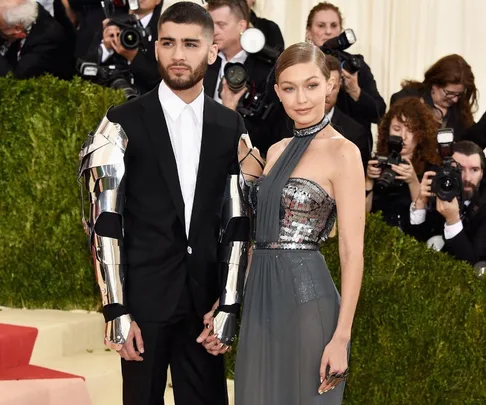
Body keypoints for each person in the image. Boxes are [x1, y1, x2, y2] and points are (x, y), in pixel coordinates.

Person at [77, 2, 255, 404]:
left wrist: (228, 303)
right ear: (155, 48)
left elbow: (238, 221)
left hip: (204, 309)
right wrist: (115, 308)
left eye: (191, 44)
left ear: (212, 51)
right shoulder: (121, 119)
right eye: (169, 42)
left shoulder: (231, 125)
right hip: (143, 305)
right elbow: (104, 220)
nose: (178, 55)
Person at [230, 42, 365, 404]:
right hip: (260, 297)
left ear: (329, 86)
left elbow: (352, 252)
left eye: (311, 85)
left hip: (308, 302)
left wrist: (341, 338)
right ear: (277, 91)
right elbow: (257, 235)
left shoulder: (344, 152)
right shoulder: (275, 150)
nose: (301, 98)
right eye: (289, 88)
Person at [204, 0, 277, 151]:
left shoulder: (265, 71)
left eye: (221, 24)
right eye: (211, 25)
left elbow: (266, 132)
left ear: (242, 25)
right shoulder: (204, 62)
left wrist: (230, 111)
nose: (214, 31)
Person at [305, 1, 386, 135]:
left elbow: (379, 113)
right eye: (321, 26)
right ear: (309, 32)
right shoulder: (300, 63)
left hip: (352, 140)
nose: (328, 31)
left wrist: (355, 91)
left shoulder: (355, 65)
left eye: (334, 25)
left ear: (340, 30)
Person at [365, 97, 441, 236]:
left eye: (410, 130)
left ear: (420, 134)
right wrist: (368, 180)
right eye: (397, 129)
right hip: (378, 239)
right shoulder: (377, 163)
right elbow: (363, 215)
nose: (403, 137)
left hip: (414, 242)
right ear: (387, 131)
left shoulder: (431, 168)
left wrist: (412, 181)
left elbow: (429, 222)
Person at [411, 141, 486, 264]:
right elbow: (414, 245)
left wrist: (453, 221)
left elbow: (474, 265)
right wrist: (420, 205)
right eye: (459, 169)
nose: (467, 178)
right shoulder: (439, 189)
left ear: (482, 173)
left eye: (474, 170)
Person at [390, 54, 478, 142]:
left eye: (459, 94)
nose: (455, 99)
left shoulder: (459, 111)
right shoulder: (406, 98)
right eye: (449, 93)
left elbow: (473, 142)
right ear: (435, 84)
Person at [0, 0, 74, 79]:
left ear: (17, 29)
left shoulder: (47, 41)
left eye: (1, 31)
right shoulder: (25, 16)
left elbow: (16, 80)